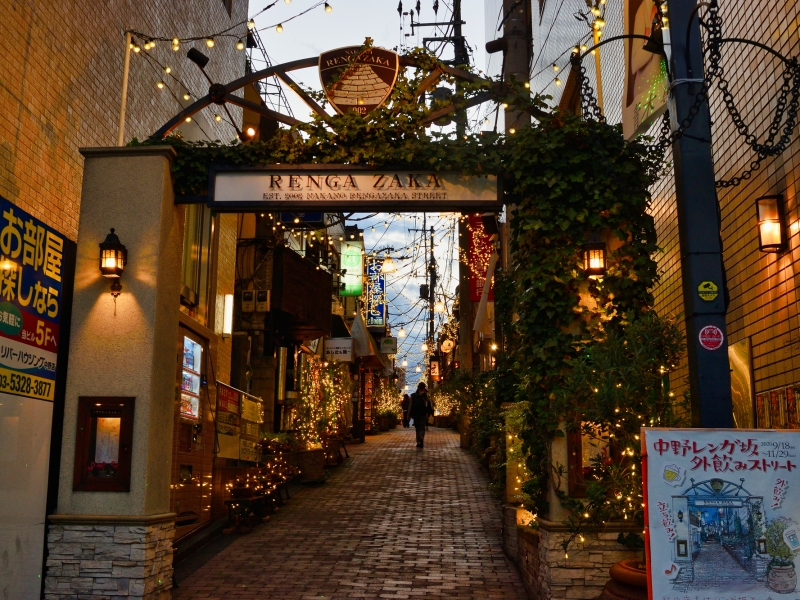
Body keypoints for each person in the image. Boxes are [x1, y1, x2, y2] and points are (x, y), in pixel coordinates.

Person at [408, 383, 433, 448]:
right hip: (423, 414)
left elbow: (410, 406)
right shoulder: (425, 396)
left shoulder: (413, 396)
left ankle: (418, 442)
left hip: (416, 414)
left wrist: (409, 414)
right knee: (422, 427)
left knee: (417, 428)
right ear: (423, 388)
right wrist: (428, 413)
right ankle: (421, 438)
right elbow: (428, 405)